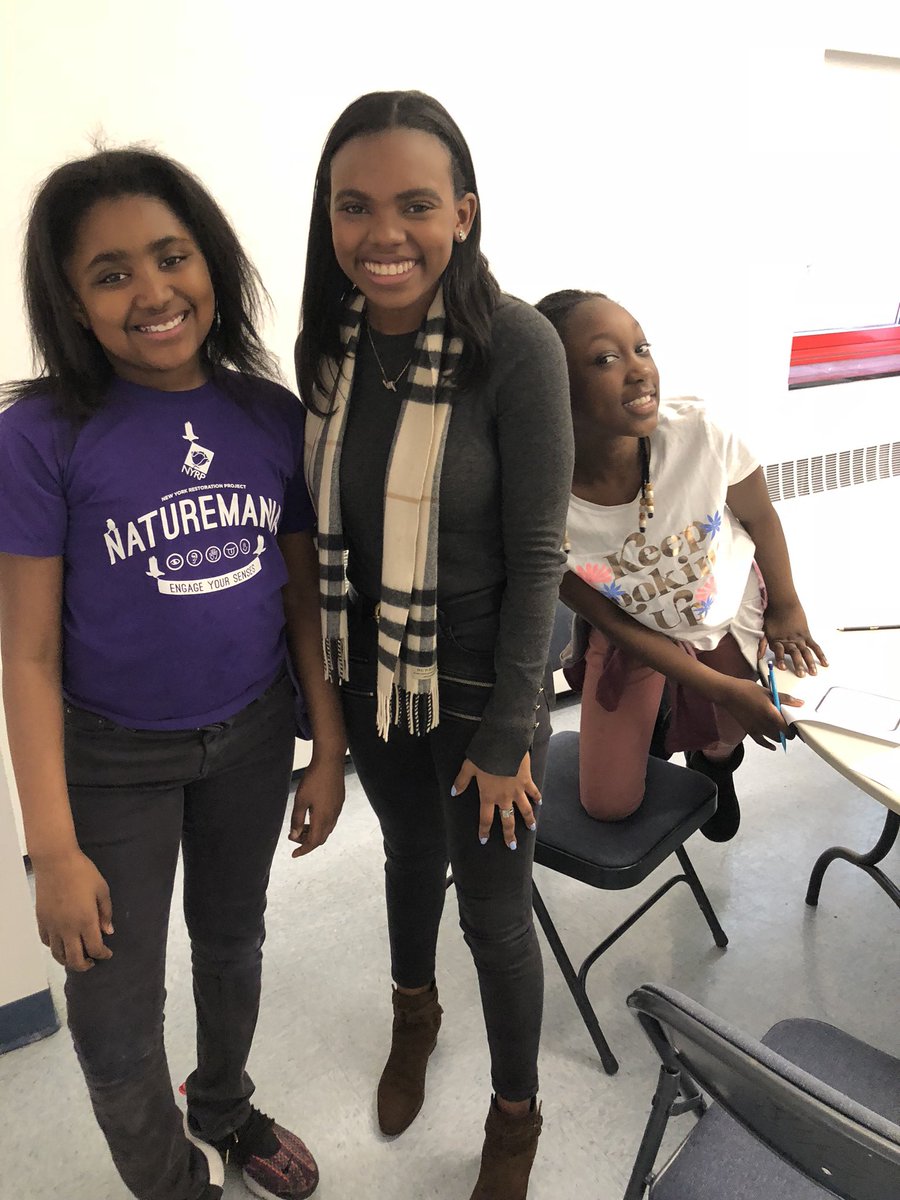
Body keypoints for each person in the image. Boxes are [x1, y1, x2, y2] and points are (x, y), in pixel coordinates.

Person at [0, 148, 347, 1200]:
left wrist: (327, 747)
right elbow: (27, 650)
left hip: (249, 739)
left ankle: (228, 1109)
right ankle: (174, 1188)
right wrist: (49, 847)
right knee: (112, 1016)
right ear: (72, 300)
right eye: (111, 274)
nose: (151, 292)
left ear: (212, 264)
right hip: (108, 761)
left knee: (233, 942)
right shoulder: (40, 436)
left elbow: (299, 604)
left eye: (171, 258)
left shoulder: (269, 416)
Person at [296, 92, 573, 1199]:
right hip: (375, 677)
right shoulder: (334, 349)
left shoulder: (519, 349)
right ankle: (416, 1018)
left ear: (463, 213)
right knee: (409, 859)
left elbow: (541, 552)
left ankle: (515, 1119)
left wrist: (511, 732)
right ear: (328, 218)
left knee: (496, 913)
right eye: (354, 206)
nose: (383, 232)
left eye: (415, 204)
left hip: (483, 684)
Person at [535, 289, 826, 839]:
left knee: (728, 728)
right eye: (605, 359)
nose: (640, 371)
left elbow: (760, 517)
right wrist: (716, 688)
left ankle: (714, 761)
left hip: (723, 604)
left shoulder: (701, 434)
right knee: (609, 805)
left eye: (641, 347)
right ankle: (672, 715)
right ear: (552, 387)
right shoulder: (536, 505)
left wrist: (787, 607)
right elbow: (612, 620)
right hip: (632, 628)